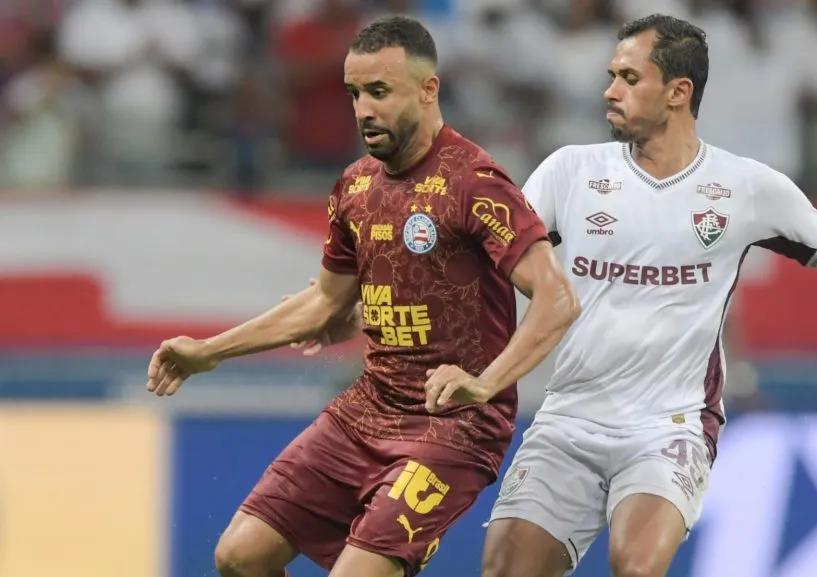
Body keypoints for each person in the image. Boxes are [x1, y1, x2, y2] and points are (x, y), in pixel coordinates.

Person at [470, 14, 817, 577]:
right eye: (612, 75)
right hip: (568, 420)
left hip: (669, 426)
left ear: (679, 92)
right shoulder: (568, 172)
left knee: (635, 568)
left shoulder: (744, 187)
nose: (610, 90)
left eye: (629, 78)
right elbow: (491, 267)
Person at [145, 15, 579, 577]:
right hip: (367, 410)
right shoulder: (354, 185)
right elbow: (323, 303)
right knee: (239, 556)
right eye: (354, 93)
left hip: (453, 427)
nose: (363, 109)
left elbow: (556, 298)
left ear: (428, 90)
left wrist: (485, 383)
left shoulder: (476, 183)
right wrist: (208, 351)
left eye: (379, 91)